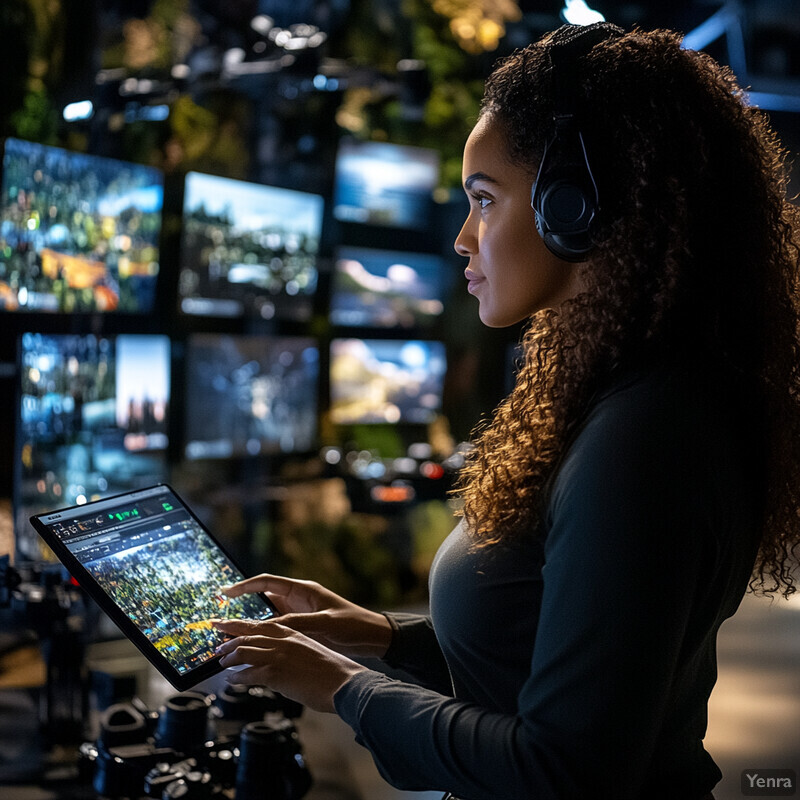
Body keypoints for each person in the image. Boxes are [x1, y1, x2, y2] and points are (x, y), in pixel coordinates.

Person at [211, 21, 800, 800]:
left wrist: (340, 687)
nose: (462, 237)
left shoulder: (644, 436)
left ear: (577, 206)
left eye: (484, 200)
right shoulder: (649, 394)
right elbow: (556, 651)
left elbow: (565, 768)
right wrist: (376, 637)